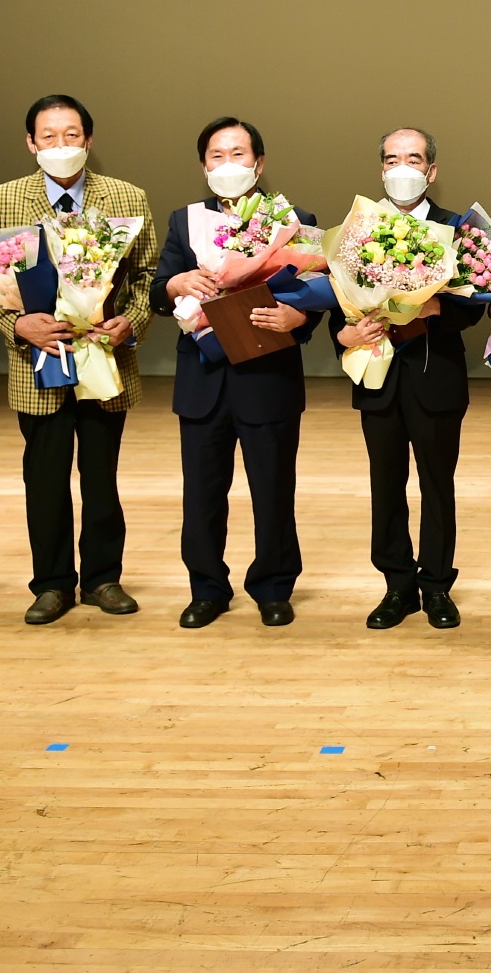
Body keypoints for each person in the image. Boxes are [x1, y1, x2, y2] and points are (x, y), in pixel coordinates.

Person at [0, 95, 160, 626]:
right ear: (31, 143)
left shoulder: (126, 196)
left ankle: (103, 578)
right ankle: (52, 583)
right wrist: (19, 326)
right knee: (45, 478)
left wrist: (132, 321)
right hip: (39, 364)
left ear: (89, 140)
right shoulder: (3, 200)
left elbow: (147, 274)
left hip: (104, 357)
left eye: (72, 134)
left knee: (101, 475)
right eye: (49, 136)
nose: (62, 144)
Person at [150, 118, 320, 629]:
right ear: (204, 166)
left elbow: (316, 292)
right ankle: (207, 588)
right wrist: (178, 283)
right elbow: (158, 289)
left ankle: (273, 586)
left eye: (239, 154)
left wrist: (299, 319)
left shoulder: (294, 219)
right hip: (203, 379)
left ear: (259, 163)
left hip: (267, 377)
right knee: (202, 492)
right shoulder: (185, 220)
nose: (228, 164)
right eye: (217, 156)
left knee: (273, 489)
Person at [336, 127, 486, 631]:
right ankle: (397, 585)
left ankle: (437, 585)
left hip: (435, 376)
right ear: (381, 169)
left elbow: (476, 304)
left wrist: (436, 306)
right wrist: (345, 333)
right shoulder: (357, 229)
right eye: (392, 159)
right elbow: (336, 301)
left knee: (437, 485)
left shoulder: (456, 229)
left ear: (431, 171)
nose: (402, 168)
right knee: (386, 485)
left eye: (414, 159)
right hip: (377, 375)